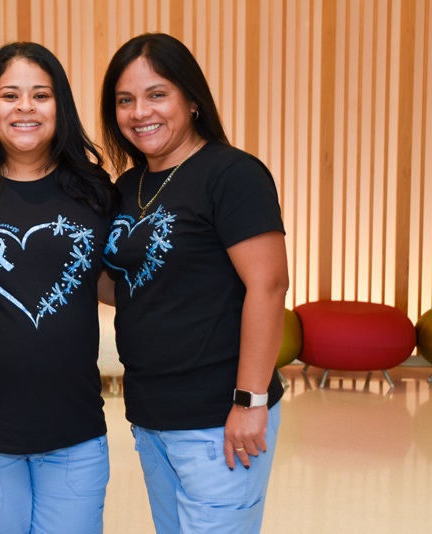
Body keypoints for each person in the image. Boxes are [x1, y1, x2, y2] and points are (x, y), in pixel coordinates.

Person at [0, 42, 120, 533]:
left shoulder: (94, 189)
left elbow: (108, 285)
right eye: (10, 95)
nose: (25, 107)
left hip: (72, 429)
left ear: (61, 108)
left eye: (41, 95)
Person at [98, 33, 289, 534]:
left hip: (219, 415)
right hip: (152, 413)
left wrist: (251, 401)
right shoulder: (127, 187)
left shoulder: (231, 174)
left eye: (157, 94)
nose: (140, 112)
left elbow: (268, 286)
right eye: (125, 100)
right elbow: (130, 284)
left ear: (192, 98)